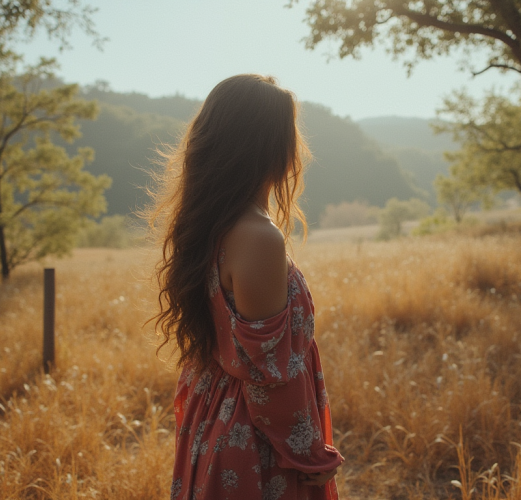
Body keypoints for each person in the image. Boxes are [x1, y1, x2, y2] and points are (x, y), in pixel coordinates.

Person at [148, 74, 344, 500]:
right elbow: (267, 375)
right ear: (275, 148)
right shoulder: (258, 236)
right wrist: (308, 451)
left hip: (219, 414)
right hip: (255, 436)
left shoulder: (212, 225)